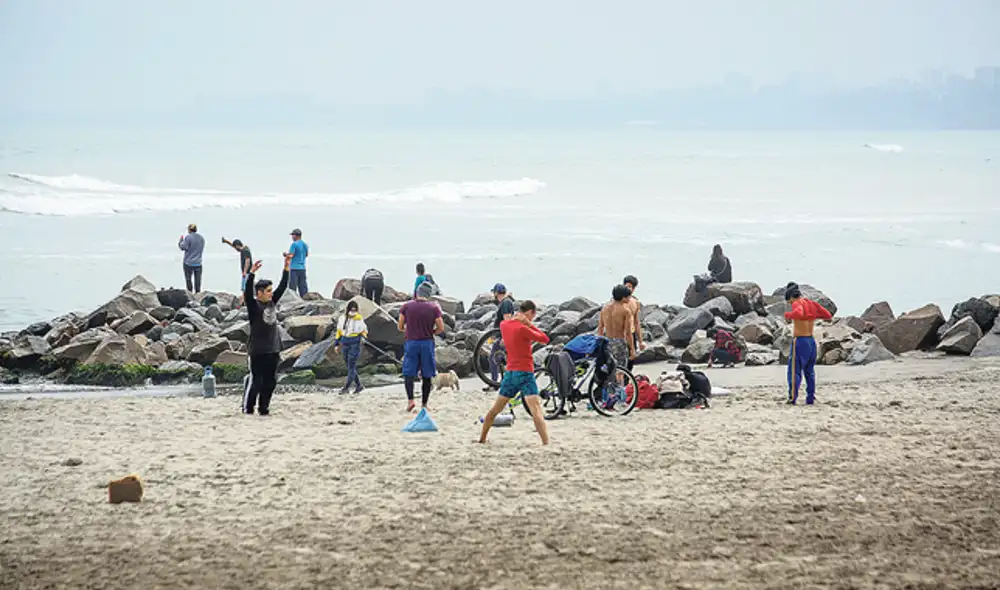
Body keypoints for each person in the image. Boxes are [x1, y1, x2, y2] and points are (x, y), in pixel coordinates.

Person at [479, 300, 550, 445]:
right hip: (525, 372)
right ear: (530, 312)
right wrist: (530, 325)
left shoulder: (504, 325)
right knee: (536, 409)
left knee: (495, 409)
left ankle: (482, 438)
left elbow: (506, 340)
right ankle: (546, 442)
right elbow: (544, 339)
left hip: (510, 373)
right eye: (532, 316)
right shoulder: (523, 328)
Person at [242, 252, 293, 416]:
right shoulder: (254, 306)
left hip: (273, 349)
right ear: (260, 293)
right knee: (256, 382)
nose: (271, 293)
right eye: (268, 291)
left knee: (270, 382)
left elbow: (283, 286)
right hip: (258, 351)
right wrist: (251, 274)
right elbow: (247, 294)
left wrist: (286, 266)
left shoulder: (272, 302)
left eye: (271, 290)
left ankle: (264, 408)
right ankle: (248, 408)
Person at [398, 281, 445, 412]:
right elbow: (441, 327)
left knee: (408, 372)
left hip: (411, 342)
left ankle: (410, 400)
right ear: (428, 295)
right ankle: (424, 404)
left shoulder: (406, 306)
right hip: (427, 343)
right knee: (427, 374)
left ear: (417, 293)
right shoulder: (433, 308)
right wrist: (432, 331)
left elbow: (400, 326)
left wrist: (408, 330)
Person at [783, 281, 833, 405]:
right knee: (809, 371)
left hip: (800, 341)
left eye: (789, 302)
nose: (790, 304)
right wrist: (813, 315)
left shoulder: (797, 303)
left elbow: (798, 312)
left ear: (791, 298)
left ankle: (792, 397)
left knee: (794, 370)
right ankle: (810, 397)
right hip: (811, 341)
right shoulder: (811, 304)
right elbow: (827, 315)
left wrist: (788, 315)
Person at [484, 283, 515, 392]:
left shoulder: (505, 303)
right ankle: (502, 382)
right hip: (500, 334)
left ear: (496, 293)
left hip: (503, 335)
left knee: (493, 358)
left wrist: (505, 337)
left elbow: (508, 320)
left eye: (494, 292)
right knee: (502, 359)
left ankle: (494, 383)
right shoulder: (506, 302)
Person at [597, 284, 636, 371]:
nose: (630, 298)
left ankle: (608, 384)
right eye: (628, 296)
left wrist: (599, 343)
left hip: (607, 341)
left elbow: (600, 327)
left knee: (608, 369)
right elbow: (628, 332)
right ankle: (619, 384)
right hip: (619, 342)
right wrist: (632, 349)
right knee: (620, 370)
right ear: (623, 298)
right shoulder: (626, 311)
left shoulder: (604, 308)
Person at [335, 300, 368, 395]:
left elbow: (364, 330)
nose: (352, 311)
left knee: (351, 365)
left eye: (354, 310)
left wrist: (364, 336)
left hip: (355, 344)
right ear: (348, 309)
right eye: (351, 309)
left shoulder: (359, 319)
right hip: (345, 343)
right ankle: (359, 385)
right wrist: (337, 344)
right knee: (350, 366)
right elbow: (339, 332)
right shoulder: (342, 318)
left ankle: (346, 387)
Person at [622, 275, 646, 369]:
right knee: (619, 361)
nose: (629, 289)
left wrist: (640, 341)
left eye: (631, 287)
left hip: (631, 333)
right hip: (619, 333)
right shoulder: (617, 301)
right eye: (627, 286)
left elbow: (636, 322)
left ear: (634, 288)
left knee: (631, 361)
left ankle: (626, 382)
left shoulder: (635, 302)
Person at [222, 237, 253, 302]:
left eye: (236, 248)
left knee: (244, 288)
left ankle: (244, 301)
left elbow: (248, 261)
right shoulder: (244, 249)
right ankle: (245, 301)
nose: (236, 249)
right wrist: (226, 241)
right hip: (247, 272)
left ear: (238, 246)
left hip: (247, 272)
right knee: (245, 288)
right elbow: (233, 245)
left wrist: (244, 272)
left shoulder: (245, 251)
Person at [178, 224, 205, 293]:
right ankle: (198, 293)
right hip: (198, 262)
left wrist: (180, 241)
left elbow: (183, 247)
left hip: (188, 263)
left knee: (188, 279)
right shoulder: (201, 238)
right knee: (198, 281)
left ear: (189, 230)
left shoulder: (188, 237)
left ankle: (190, 293)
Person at [286, 228, 309, 297]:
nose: (292, 237)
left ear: (296, 236)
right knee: (303, 286)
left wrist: (285, 255)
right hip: (302, 268)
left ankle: (292, 300)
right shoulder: (304, 244)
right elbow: (306, 254)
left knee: (292, 287)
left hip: (294, 268)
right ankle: (304, 299)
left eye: (293, 235)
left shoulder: (294, 244)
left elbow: (291, 255)